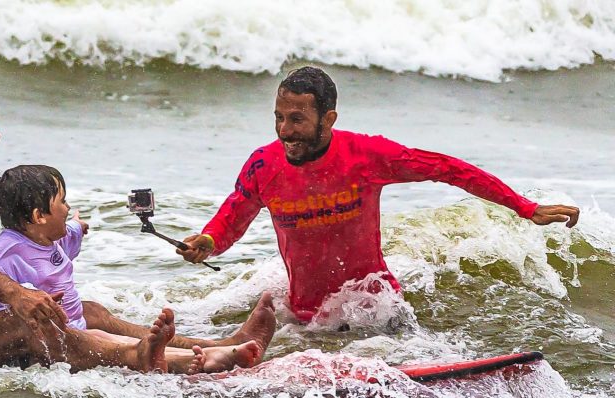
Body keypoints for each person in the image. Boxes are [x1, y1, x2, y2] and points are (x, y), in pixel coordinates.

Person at [0, 75, 275, 374]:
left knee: (82, 311)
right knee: (34, 319)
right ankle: (166, 360)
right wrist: (20, 298)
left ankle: (212, 344)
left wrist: (37, 286)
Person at [178, 66, 580, 322]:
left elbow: (448, 169)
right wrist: (208, 242)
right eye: (280, 118)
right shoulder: (264, 166)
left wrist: (524, 208)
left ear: (328, 119)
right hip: (305, 317)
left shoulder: (366, 156)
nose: (285, 130)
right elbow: (233, 215)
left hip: (374, 308)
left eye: (297, 119)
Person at [0, 164, 264, 373]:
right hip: (54, 340)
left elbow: (72, 230)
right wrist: (24, 297)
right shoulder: (7, 253)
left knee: (108, 325)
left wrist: (80, 226)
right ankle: (199, 359)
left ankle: (212, 350)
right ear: (38, 215)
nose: (68, 207)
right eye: (63, 201)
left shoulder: (49, 235)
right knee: (117, 343)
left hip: (77, 326)